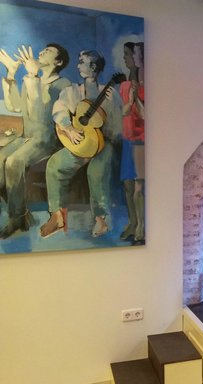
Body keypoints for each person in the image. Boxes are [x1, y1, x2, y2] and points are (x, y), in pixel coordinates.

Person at [39, 50, 122, 238]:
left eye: (82, 62)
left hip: (102, 144)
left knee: (96, 172)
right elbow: (59, 109)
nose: (78, 66)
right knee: (54, 164)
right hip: (79, 142)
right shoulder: (73, 91)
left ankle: (101, 220)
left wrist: (110, 111)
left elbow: (117, 129)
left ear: (93, 66)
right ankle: (57, 217)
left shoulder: (109, 94)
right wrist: (69, 128)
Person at [0, 44, 70, 239]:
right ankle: (22, 215)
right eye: (43, 49)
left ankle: (17, 219)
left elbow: (40, 114)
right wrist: (11, 74)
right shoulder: (31, 79)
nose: (42, 52)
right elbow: (15, 106)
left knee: (14, 162)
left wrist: (32, 77)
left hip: (47, 139)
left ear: (58, 62)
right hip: (28, 137)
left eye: (49, 51)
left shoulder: (63, 85)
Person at [119, 42, 145, 244]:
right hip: (127, 139)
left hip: (140, 141)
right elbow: (124, 111)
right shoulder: (126, 85)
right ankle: (133, 222)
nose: (127, 58)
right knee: (128, 186)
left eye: (130, 54)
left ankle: (141, 225)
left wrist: (135, 99)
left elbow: (144, 115)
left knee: (138, 188)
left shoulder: (145, 86)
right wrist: (130, 100)